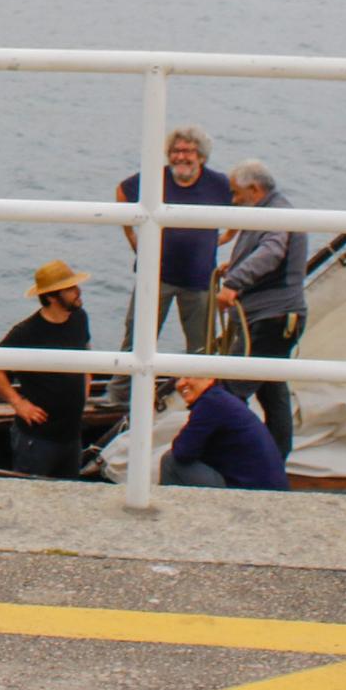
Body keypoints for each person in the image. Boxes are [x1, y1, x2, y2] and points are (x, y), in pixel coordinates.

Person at [109, 126, 232, 401]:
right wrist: (132, 236)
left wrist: (225, 239)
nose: (181, 157)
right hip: (155, 277)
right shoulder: (155, 178)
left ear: (201, 156)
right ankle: (117, 400)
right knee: (136, 339)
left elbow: (243, 208)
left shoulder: (218, 183)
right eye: (175, 151)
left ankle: (201, 400)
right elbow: (122, 191)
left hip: (199, 280)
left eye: (187, 151)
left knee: (201, 348)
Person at [215, 159, 307, 460]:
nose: (233, 199)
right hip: (277, 317)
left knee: (232, 387)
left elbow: (271, 252)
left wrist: (234, 281)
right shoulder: (272, 209)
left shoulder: (275, 214)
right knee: (271, 389)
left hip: (272, 317)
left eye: (236, 192)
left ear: (254, 189)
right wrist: (236, 264)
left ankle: (234, 453)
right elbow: (268, 251)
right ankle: (274, 456)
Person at [0, 260, 96, 478]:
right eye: (70, 288)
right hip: (39, 438)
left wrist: (86, 384)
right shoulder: (27, 332)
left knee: (69, 492)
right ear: (52, 296)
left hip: (71, 434)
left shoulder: (80, 318)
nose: (78, 291)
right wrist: (18, 403)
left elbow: (86, 349)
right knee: (31, 495)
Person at [158, 377, 289, 490]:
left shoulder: (211, 403)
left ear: (210, 378)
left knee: (170, 462)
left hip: (253, 494)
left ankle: (170, 513)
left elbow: (182, 452)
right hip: (269, 487)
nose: (181, 383)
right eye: (178, 378)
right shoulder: (222, 399)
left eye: (188, 376)